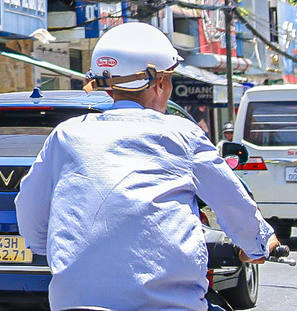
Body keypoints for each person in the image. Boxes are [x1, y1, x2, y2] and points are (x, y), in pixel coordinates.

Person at [15, 22, 278, 311]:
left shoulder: (66, 134)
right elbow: (230, 201)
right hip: (168, 304)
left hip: (72, 302)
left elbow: (28, 206)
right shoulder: (181, 134)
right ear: (160, 84)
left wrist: (44, 247)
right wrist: (261, 243)